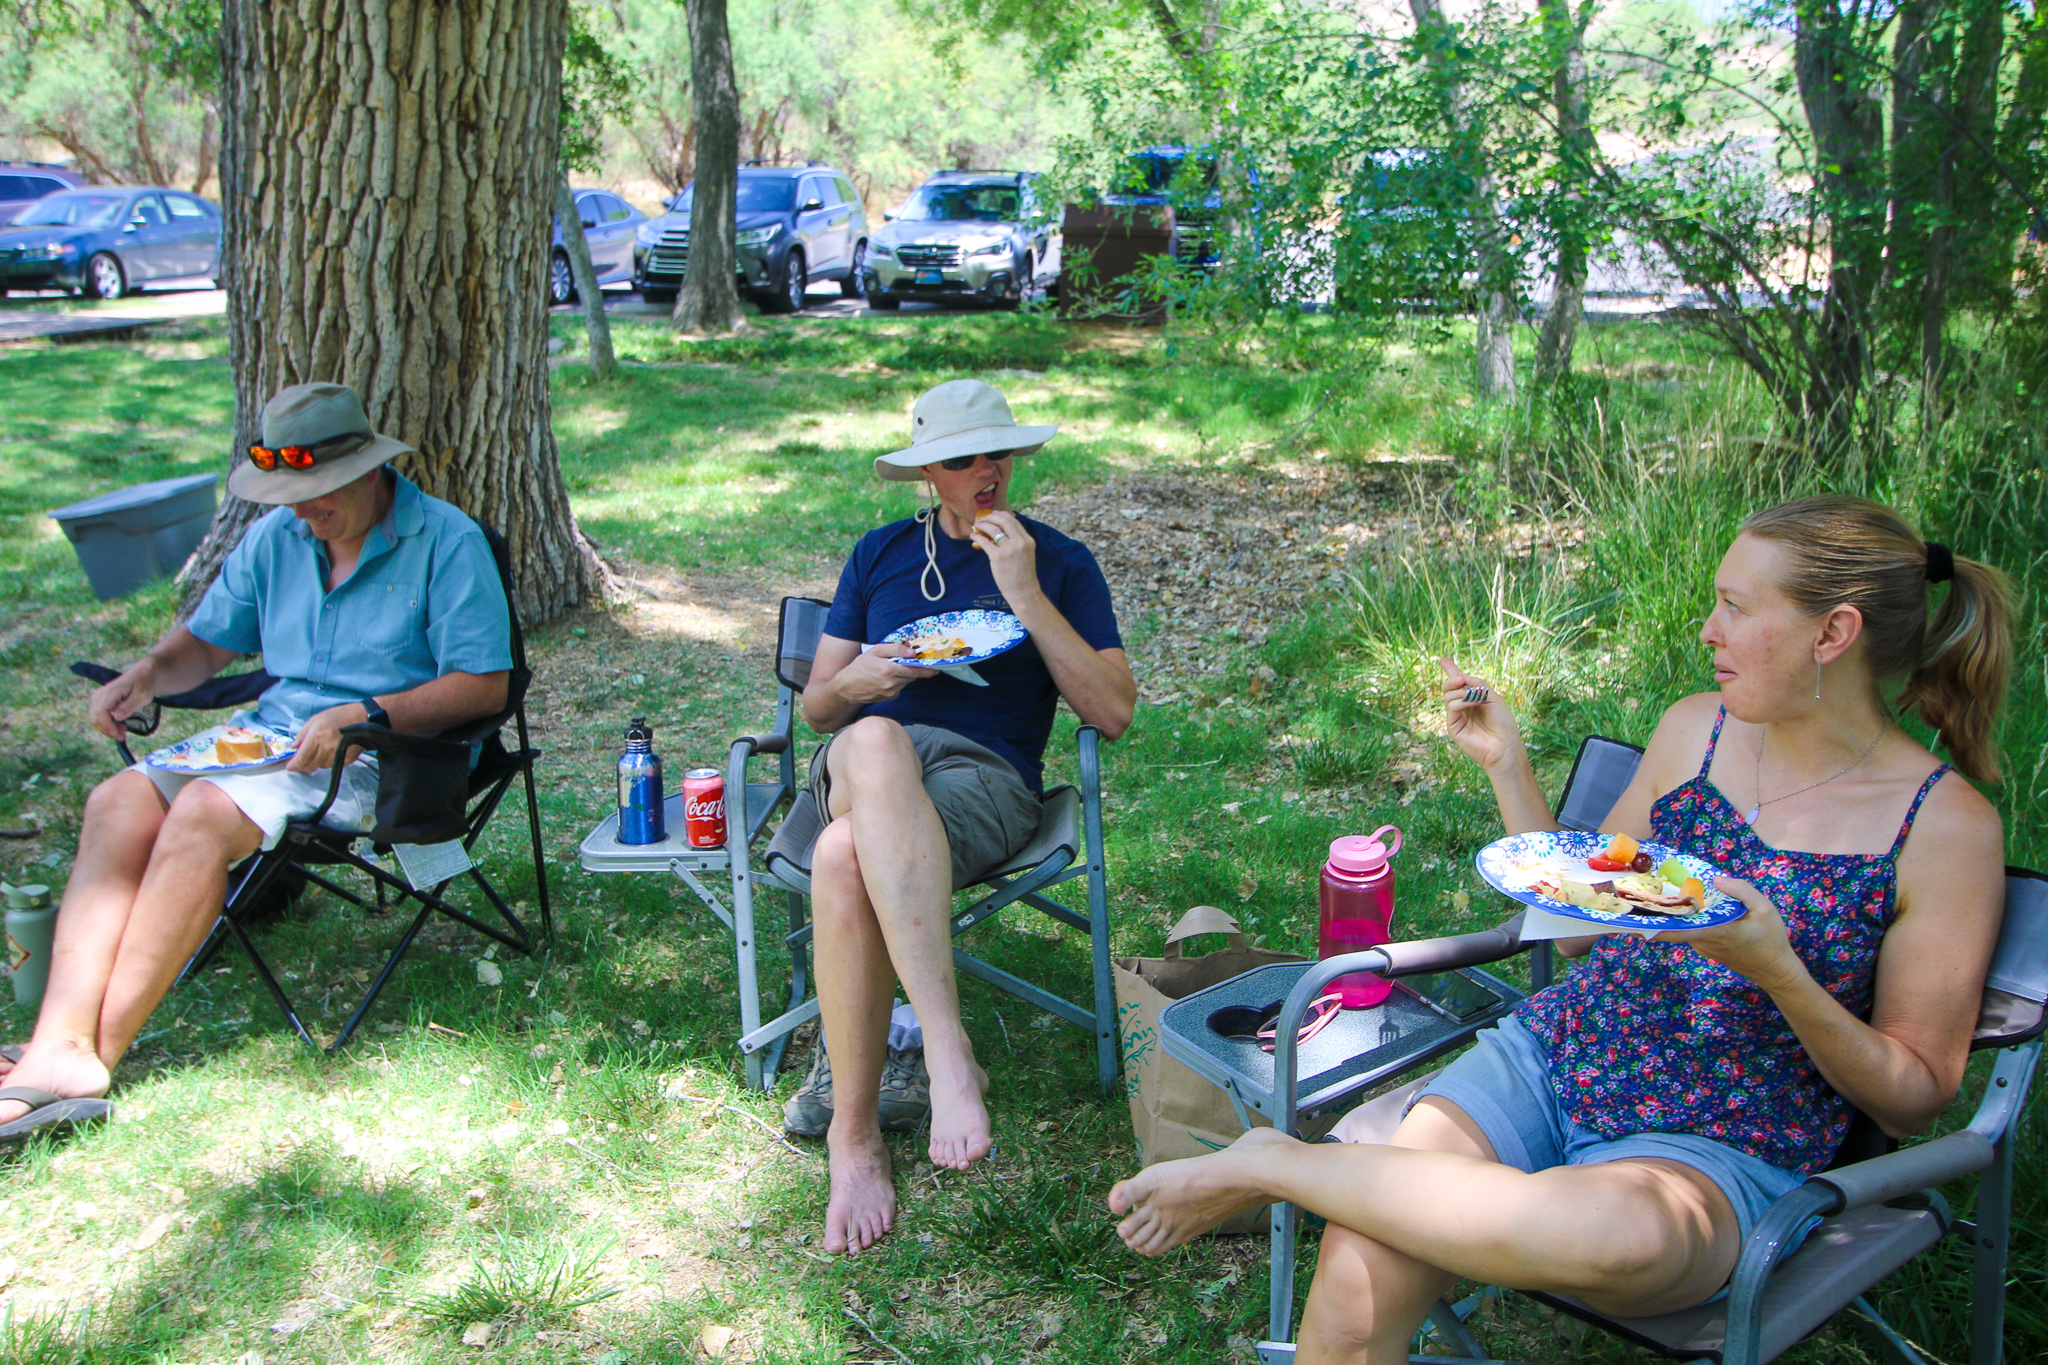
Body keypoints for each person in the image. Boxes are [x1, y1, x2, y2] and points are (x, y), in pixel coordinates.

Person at [1107, 496, 2013, 1362]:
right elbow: (1577, 924)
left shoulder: (1942, 828)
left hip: (1721, 1145)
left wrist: (1779, 970)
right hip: (1560, 1056)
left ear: (1833, 633)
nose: (1708, 628)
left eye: (1736, 606)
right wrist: (1508, 765)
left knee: (1614, 1240)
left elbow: (1913, 1096)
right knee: (1356, 1288)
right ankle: (1294, 1167)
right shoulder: (1694, 730)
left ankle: (1277, 1163)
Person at [0, 383, 514, 1140]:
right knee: (115, 799)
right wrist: (148, 671)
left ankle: (84, 1058)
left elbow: (485, 683)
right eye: (288, 494)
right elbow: (208, 644)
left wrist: (366, 713)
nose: (301, 509)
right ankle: (58, 1039)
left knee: (204, 811)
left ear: (368, 470)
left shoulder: (445, 539)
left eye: (315, 493)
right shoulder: (280, 538)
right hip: (269, 737)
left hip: (386, 753)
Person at [798, 379, 1136, 1253]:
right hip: (870, 755)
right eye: (963, 459)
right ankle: (946, 1047)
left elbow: (1112, 711)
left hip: (983, 782)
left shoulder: (1057, 562)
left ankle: (855, 1133)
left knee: (841, 858)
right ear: (928, 476)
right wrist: (862, 683)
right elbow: (818, 707)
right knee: (872, 741)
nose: (987, 470)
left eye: (998, 452)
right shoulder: (878, 555)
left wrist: (1022, 592)